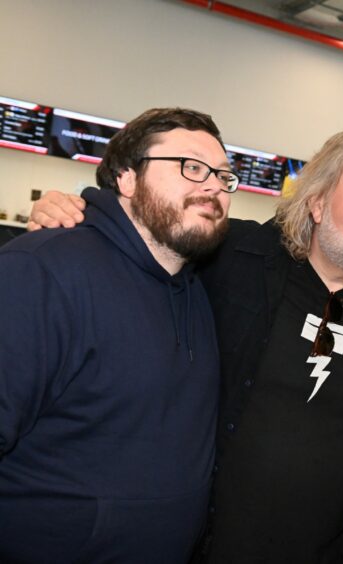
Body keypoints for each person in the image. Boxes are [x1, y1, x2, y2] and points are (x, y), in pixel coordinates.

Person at [27, 125, 343, 563]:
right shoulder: (233, 255)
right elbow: (146, 234)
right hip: (211, 542)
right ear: (317, 202)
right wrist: (76, 211)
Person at [0, 108, 233, 562]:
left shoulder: (197, 286)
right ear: (127, 178)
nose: (213, 186)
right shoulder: (42, 270)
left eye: (224, 176)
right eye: (192, 167)